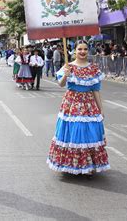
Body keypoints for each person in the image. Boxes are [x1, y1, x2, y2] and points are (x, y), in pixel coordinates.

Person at [47, 40, 109, 177]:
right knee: (74, 132)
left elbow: (96, 90)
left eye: (85, 49)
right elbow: (61, 84)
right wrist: (65, 75)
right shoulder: (68, 66)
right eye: (79, 49)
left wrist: (101, 109)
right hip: (72, 103)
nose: (82, 52)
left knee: (90, 133)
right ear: (75, 50)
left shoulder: (93, 68)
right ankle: (72, 163)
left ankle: (88, 164)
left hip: (88, 104)